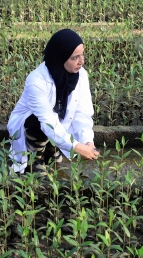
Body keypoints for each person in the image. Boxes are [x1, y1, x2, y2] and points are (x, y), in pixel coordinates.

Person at [8, 29, 99, 174]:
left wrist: (88, 141)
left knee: (59, 130)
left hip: (56, 123)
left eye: (82, 54)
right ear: (60, 57)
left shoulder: (81, 75)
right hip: (35, 123)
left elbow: (83, 112)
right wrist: (76, 147)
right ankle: (34, 156)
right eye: (74, 57)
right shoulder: (36, 80)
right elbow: (48, 121)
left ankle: (52, 147)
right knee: (36, 122)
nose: (81, 61)